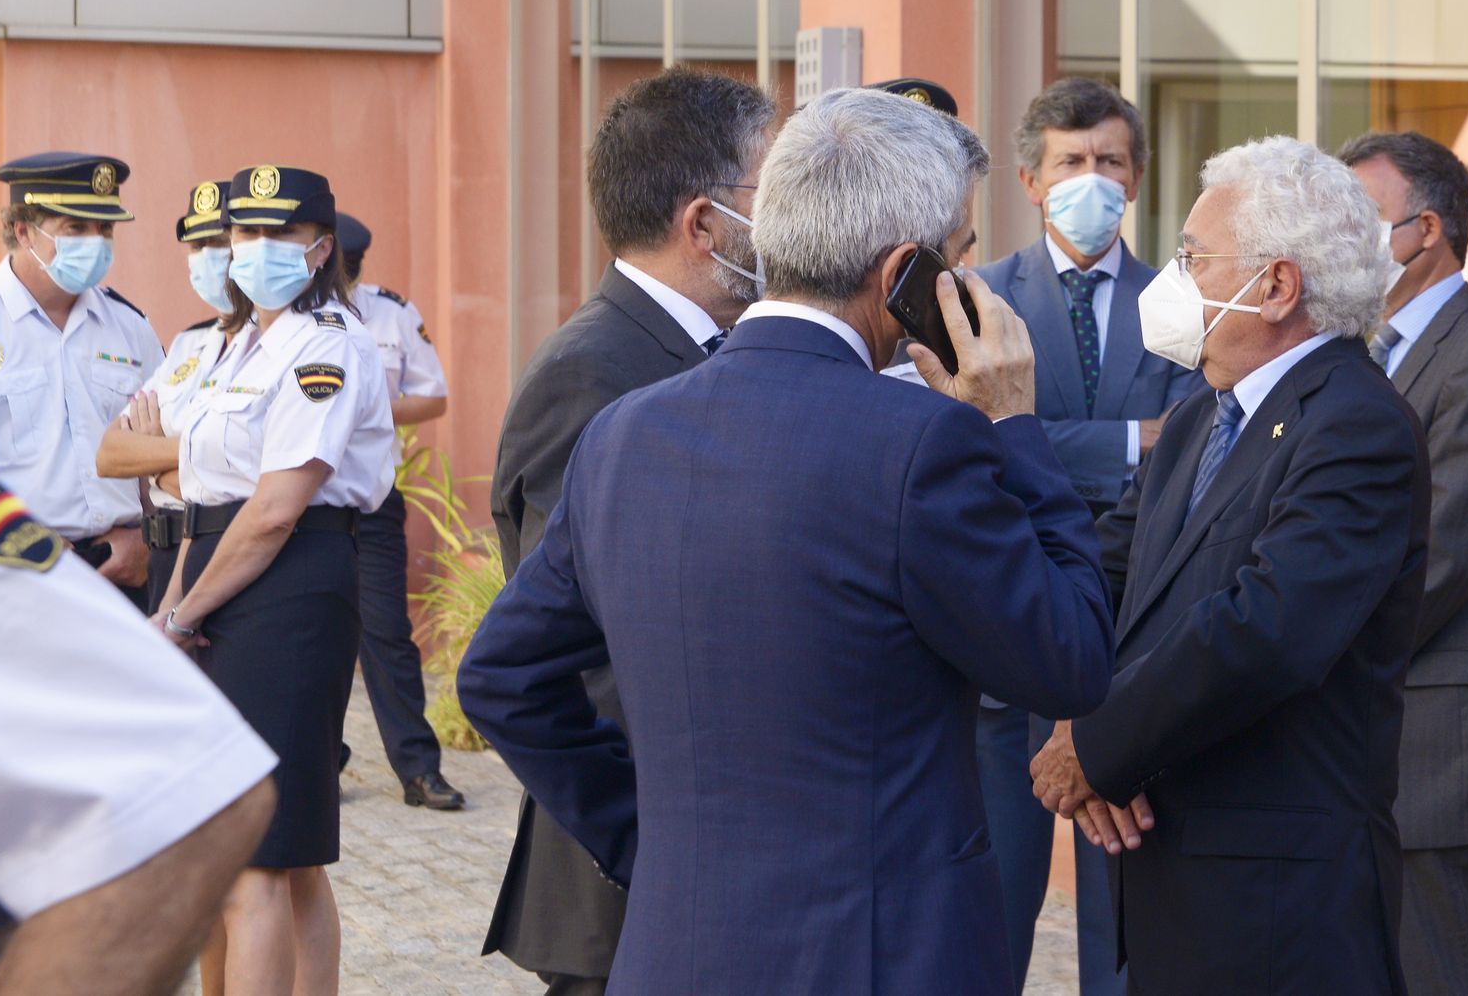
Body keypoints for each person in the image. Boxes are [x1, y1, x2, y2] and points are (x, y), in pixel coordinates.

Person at [459, 86, 1115, 996]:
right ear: (905, 276)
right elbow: (1071, 658)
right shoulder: (924, 442)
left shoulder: (624, 434)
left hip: (676, 948)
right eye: (961, 257)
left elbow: (502, 676)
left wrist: (647, 840)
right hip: (880, 958)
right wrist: (1013, 425)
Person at [1029, 135, 1431, 995]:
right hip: (1180, 878)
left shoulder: (1355, 425)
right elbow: (1105, 584)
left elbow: (1264, 632)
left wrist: (1099, 748)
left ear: (1277, 285)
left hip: (1279, 910)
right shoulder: (1197, 423)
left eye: (1192, 258)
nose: (1172, 280)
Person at [482, 67, 775, 996]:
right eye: (773, 194)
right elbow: (582, 653)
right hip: (635, 889)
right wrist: (646, 838)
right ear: (705, 224)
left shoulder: (706, 352)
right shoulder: (597, 371)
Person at [976, 77, 1203, 993]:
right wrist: (1123, 442)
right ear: (1031, 181)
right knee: (992, 919)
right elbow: (970, 449)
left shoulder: (1189, 306)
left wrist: (1031, 434)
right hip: (1003, 650)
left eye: (1110, 160)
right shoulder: (978, 299)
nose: (1092, 178)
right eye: (1071, 162)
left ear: (1139, 177)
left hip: (1133, 657)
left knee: (1127, 929)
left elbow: (1188, 460)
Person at [153, 165, 394, 996]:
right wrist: (172, 606)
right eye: (242, 235)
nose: (252, 250)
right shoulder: (231, 347)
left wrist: (184, 613)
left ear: (319, 247)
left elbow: (274, 510)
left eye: (276, 236)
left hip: (291, 586)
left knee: (264, 851)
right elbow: (208, 500)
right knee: (268, 855)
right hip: (223, 574)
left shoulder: (326, 346)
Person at [1342, 131, 1468, 996]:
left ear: (1425, 230)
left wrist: (1301, 642)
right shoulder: (1366, 351)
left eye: (1361, 222)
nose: (1341, 246)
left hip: (1437, 743)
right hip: (1374, 729)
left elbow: (1445, 559)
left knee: (1446, 969)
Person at [0, 475, 277, 996]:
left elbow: (207, 786)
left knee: (277, 869)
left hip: (181, 568)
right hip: (178, 557)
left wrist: (177, 614)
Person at [334, 212, 464, 810]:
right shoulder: (284, 319)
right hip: (301, 501)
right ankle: (320, 763)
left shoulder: (390, 313)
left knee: (386, 633)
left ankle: (418, 769)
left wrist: (376, 407)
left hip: (372, 498)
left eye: (350, 273)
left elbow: (434, 397)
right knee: (310, 634)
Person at [0, 152, 162, 609]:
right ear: (23, 230)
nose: (96, 242)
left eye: (104, 230)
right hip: (11, 579)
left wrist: (151, 539)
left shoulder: (130, 326)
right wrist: (24, 541)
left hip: (123, 573)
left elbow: (161, 451)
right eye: (76, 228)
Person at [96, 179, 250, 612]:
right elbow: (109, 454)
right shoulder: (189, 344)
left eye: (219, 242)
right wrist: (195, 459)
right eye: (196, 246)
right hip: (164, 556)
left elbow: (250, 485)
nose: (207, 258)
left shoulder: (283, 344)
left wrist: (155, 458)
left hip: (231, 554)